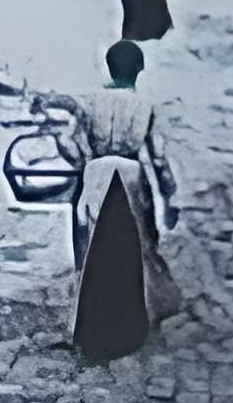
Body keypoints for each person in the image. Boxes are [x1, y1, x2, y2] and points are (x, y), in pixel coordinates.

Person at [30, 40, 184, 361]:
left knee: (90, 252)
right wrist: (169, 198)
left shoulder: (91, 103)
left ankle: (91, 325)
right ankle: (127, 325)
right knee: (134, 250)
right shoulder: (145, 106)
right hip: (131, 177)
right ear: (139, 69)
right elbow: (158, 159)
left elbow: (74, 146)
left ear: (109, 67)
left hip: (96, 177)